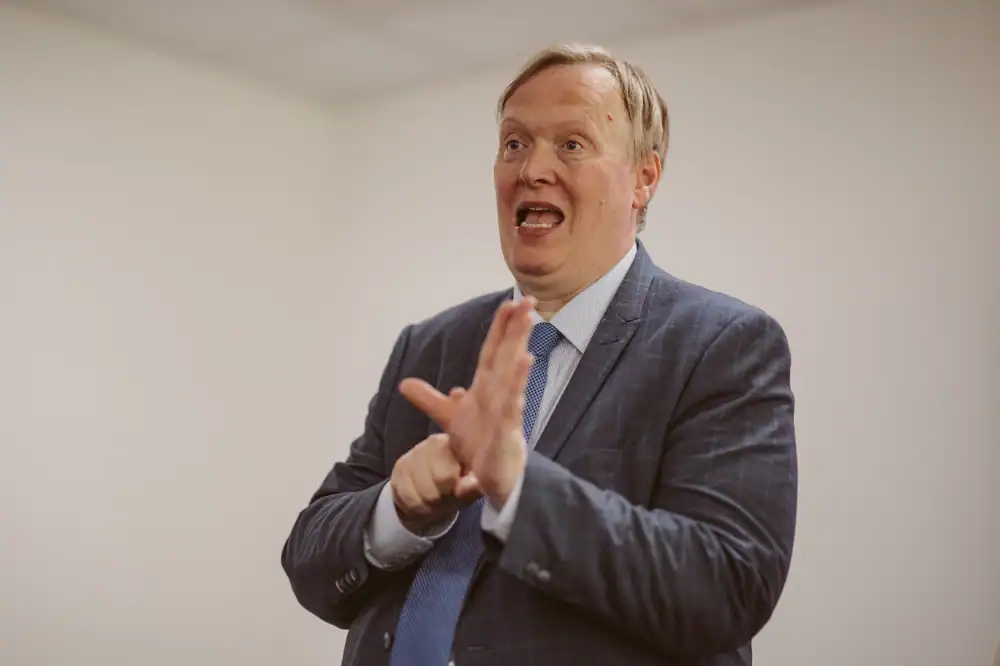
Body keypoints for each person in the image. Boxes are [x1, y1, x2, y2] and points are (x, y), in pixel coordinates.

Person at [281, 43, 797, 666]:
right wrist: (401, 509)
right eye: (515, 143)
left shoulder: (722, 345)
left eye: (572, 144)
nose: (532, 170)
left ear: (644, 177)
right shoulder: (431, 345)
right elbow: (309, 561)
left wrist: (518, 485)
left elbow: (725, 588)